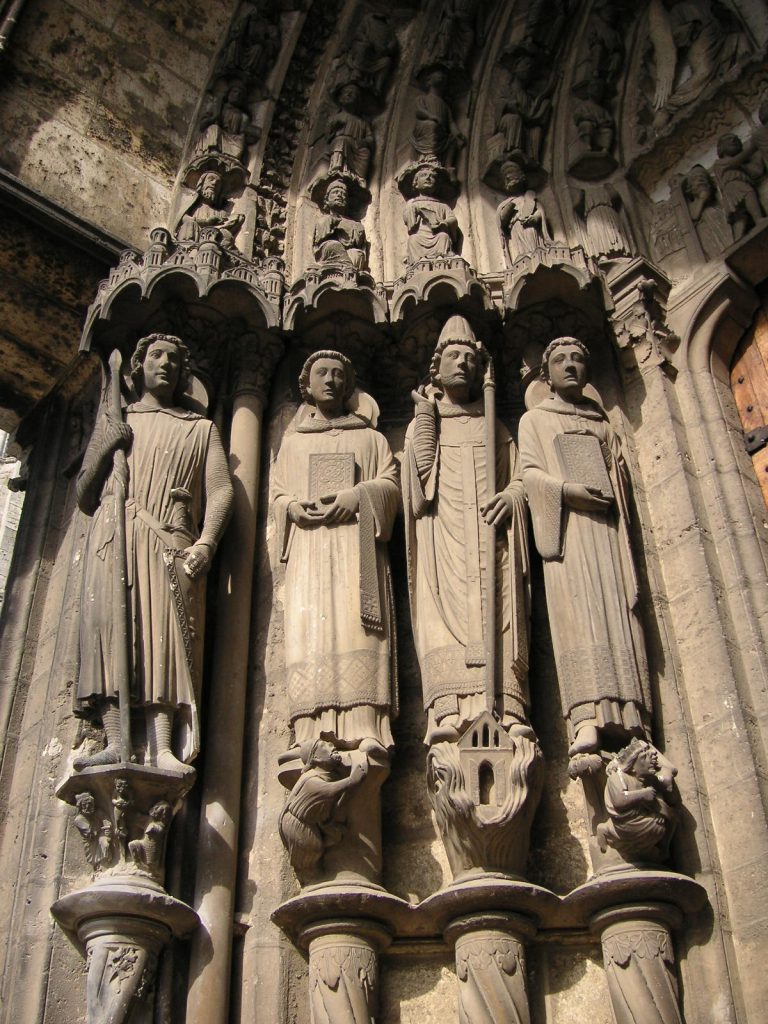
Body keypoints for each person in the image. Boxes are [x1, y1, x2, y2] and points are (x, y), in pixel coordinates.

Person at [74, 333, 233, 773]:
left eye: (175, 359)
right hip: (116, 539)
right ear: (138, 366)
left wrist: (207, 542)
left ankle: (162, 746)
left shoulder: (199, 429)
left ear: (185, 373)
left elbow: (220, 491)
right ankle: (118, 739)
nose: (165, 364)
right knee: (111, 633)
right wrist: (108, 445)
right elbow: (84, 494)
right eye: (156, 356)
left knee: (165, 639)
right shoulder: (119, 422)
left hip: (169, 542)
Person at [518, 338, 652, 755]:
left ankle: (633, 716)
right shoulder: (534, 421)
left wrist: (612, 478)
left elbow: (620, 479)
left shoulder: (604, 424)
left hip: (607, 533)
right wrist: (566, 490)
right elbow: (529, 476)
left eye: (579, 358)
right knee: (576, 616)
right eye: (560, 360)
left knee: (618, 618)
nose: (571, 365)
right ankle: (586, 719)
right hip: (568, 532)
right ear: (547, 375)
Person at [402, 316, 531, 744]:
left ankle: (507, 706)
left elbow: (519, 479)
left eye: (470, 358)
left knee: (501, 613)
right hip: (443, 539)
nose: (463, 364)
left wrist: (511, 498)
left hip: (490, 538)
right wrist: (425, 419)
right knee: (442, 615)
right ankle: (449, 708)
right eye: (453, 356)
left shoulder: (494, 425)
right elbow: (418, 486)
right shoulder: (426, 421)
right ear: (436, 369)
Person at [272, 350, 399, 754]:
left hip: (354, 546)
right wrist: (291, 507)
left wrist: (358, 495)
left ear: (349, 385)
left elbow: (392, 487)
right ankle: (310, 730)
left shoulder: (371, 438)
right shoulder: (292, 445)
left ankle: (366, 724)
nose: (330, 379)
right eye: (321, 373)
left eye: (338, 373)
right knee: (310, 630)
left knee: (356, 623)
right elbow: (277, 494)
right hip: (310, 548)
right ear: (305, 386)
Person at [403, 165, 459, 263]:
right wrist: (412, 209)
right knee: (413, 240)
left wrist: (444, 223)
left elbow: (452, 219)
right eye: (423, 175)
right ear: (415, 183)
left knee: (443, 237)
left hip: (437, 235)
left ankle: (442, 261)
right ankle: (416, 263)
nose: (428, 178)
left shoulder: (442, 205)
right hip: (421, 235)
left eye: (432, 176)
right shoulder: (413, 203)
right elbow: (410, 226)